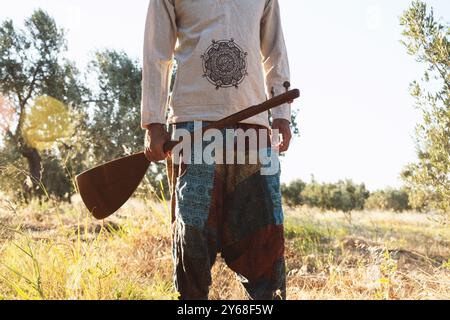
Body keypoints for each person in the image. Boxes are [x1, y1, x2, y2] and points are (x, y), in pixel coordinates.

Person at [142, 0, 292, 300]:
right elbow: (157, 52)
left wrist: (282, 114)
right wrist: (154, 122)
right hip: (192, 125)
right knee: (192, 236)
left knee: (264, 235)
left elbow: (275, 51)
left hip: (254, 126)